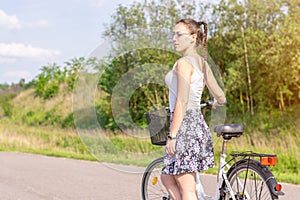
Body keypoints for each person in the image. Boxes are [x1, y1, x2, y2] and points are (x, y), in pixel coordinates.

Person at [161, 18, 226, 200]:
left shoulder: (184, 63)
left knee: (187, 188)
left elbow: (181, 100)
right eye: (173, 34)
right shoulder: (203, 64)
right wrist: (216, 102)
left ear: (193, 37)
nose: (174, 38)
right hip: (196, 124)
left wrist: (172, 135)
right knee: (167, 176)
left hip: (184, 126)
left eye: (179, 34)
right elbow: (221, 96)